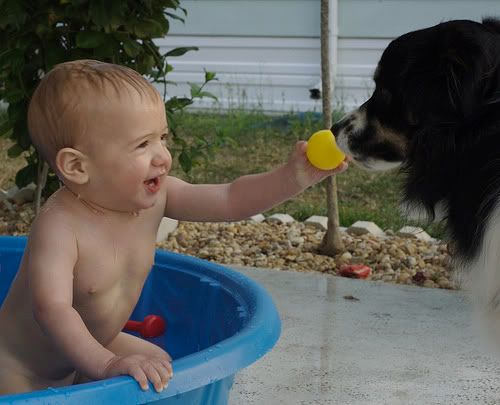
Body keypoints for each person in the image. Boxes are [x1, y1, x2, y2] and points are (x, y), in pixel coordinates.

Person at [0, 60, 349, 396]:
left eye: (162, 138)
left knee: (159, 366)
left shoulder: (158, 198)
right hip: (22, 369)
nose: (163, 156)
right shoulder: (60, 227)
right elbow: (53, 310)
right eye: (142, 144)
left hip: (96, 344)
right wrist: (106, 364)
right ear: (77, 165)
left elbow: (230, 200)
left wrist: (292, 177)